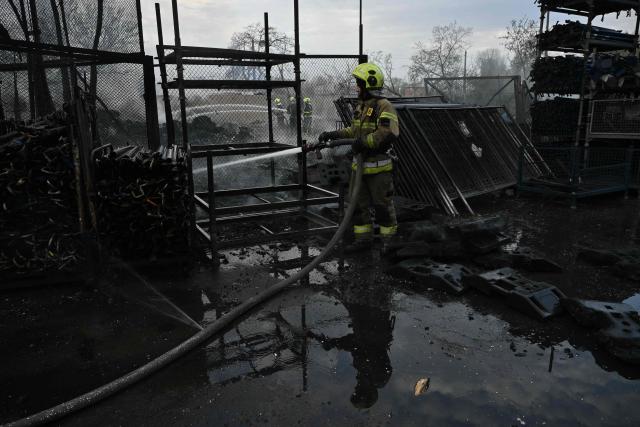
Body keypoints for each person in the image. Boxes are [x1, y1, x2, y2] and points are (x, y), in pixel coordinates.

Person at [318, 62, 399, 249]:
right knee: (356, 206)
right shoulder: (361, 106)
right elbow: (354, 131)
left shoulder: (384, 106)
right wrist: (333, 134)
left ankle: (390, 243)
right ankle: (363, 240)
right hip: (359, 167)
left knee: (382, 206)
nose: (356, 87)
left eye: (358, 83)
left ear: (369, 84)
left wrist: (364, 143)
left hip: (378, 167)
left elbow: (387, 133)